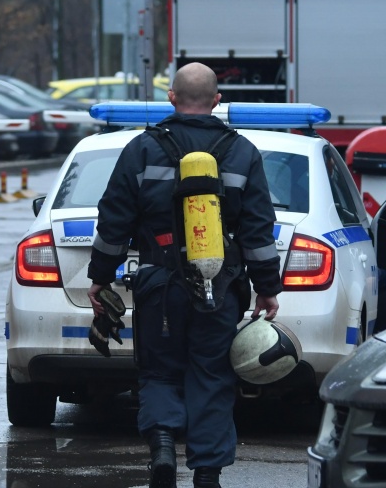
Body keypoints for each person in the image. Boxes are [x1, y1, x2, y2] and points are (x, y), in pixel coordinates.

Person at [87, 62, 281, 488]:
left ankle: (161, 445)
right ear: (217, 101)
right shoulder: (242, 152)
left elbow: (114, 218)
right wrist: (268, 288)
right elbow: (258, 230)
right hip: (221, 287)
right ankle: (207, 473)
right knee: (211, 375)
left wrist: (100, 276)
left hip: (159, 285)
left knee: (159, 372)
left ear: (171, 97)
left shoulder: (142, 148)